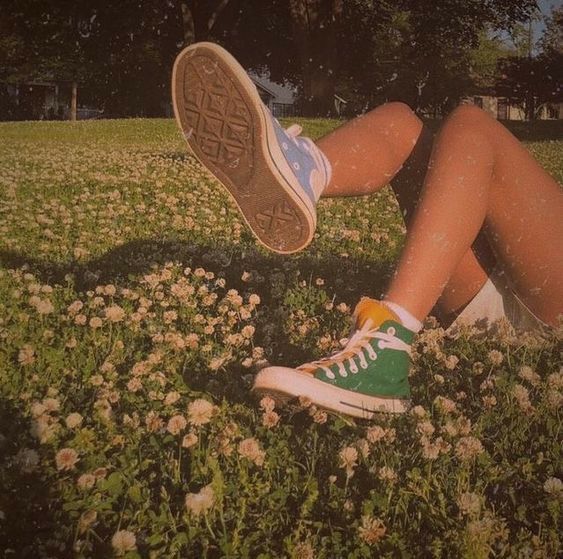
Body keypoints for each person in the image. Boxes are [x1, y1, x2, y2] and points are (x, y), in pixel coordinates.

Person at [171, 42, 563, 419]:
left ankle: (388, 342)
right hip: (483, 300)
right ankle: (302, 169)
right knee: (400, 123)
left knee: (472, 125)